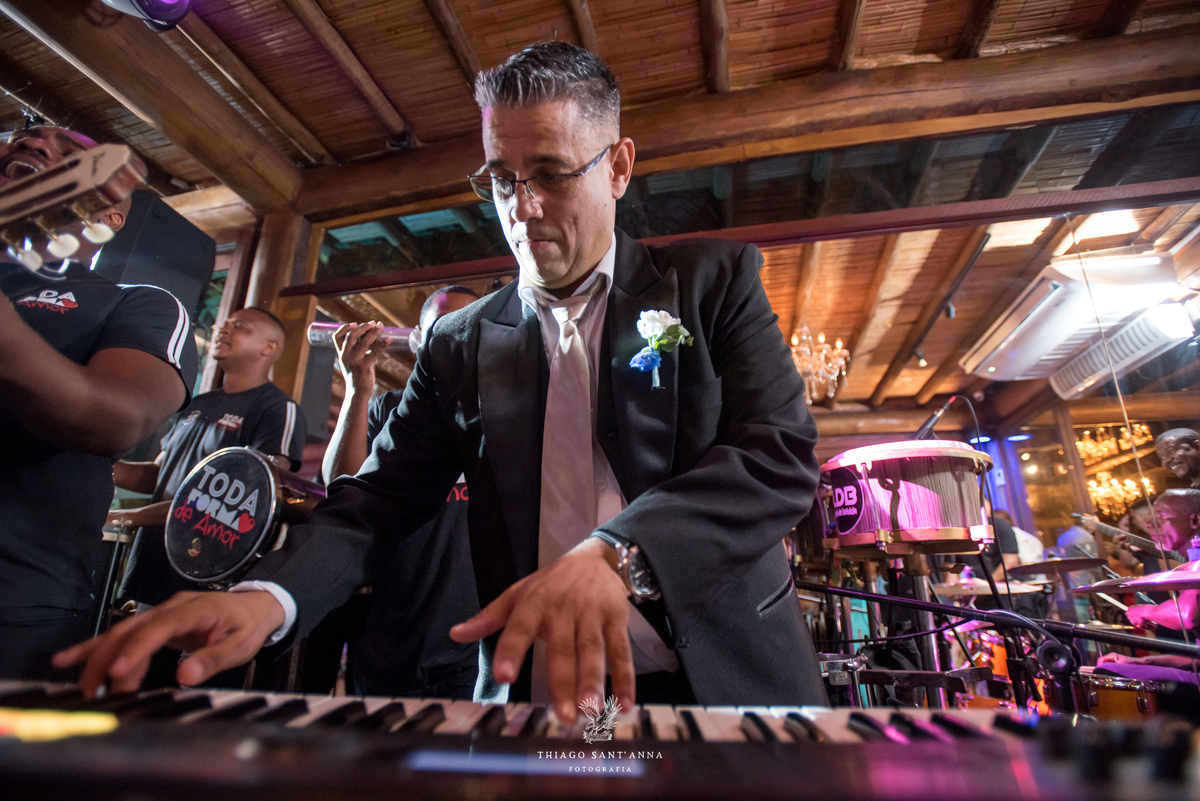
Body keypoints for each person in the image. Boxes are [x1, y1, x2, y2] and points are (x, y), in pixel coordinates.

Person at [57, 42, 825, 722]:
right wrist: (269, 597)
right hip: (547, 697)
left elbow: (775, 456)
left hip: (726, 682)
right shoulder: (461, 342)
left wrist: (619, 554)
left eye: (552, 174)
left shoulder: (712, 282)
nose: (522, 210)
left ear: (618, 167)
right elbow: (377, 500)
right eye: (500, 179)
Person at [0, 126, 198, 680]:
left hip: (16, 599)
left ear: (109, 214)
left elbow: (118, 421)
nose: (35, 145)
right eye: (23, 136)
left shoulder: (136, 303)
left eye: (70, 153)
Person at [312, 285, 480, 698]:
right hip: (390, 634)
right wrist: (357, 389)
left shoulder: (503, 413)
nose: (457, 339)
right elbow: (343, 486)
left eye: (469, 327)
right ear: (421, 341)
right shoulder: (390, 410)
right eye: (442, 328)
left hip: (473, 646)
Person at [113, 307, 307, 608]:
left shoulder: (277, 408)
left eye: (239, 326)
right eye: (221, 324)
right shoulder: (198, 404)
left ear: (269, 348)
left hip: (205, 581)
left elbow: (256, 494)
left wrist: (126, 517)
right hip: (152, 568)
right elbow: (160, 474)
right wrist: (107, 468)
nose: (221, 329)